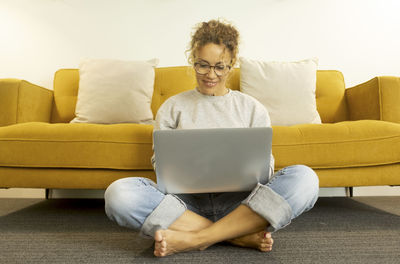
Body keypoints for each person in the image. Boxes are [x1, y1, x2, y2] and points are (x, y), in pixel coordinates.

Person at [104, 19, 319, 257]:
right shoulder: (172, 107)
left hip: (241, 205)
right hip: (185, 207)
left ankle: (197, 238)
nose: (211, 74)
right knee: (119, 194)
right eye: (203, 65)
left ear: (231, 65)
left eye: (220, 67)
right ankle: (237, 235)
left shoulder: (252, 108)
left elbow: (265, 169)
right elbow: (161, 166)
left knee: (305, 178)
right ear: (192, 61)